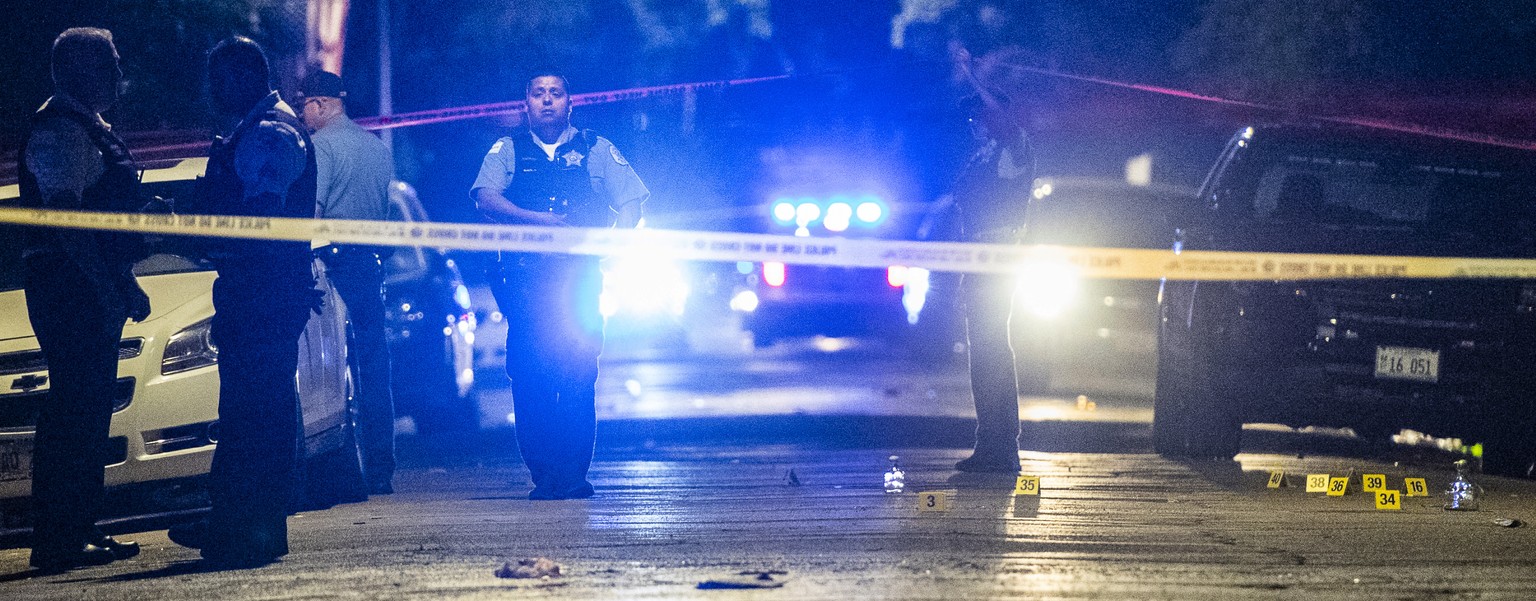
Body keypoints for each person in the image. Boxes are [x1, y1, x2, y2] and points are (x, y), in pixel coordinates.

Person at [167, 37, 321, 568]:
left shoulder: (269, 134)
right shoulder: (257, 129)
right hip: (263, 291)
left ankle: (245, 527)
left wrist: (190, 233)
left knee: (252, 411)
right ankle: (245, 524)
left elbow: (258, 227)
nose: (212, 90)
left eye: (219, 78)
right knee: (255, 409)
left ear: (244, 76)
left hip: (259, 294)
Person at [471, 69, 647, 500]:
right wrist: (536, 222)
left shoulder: (596, 148)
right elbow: (484, 195)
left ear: (571, 102)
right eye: (538, 93)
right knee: (530, 377)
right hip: (526, 284)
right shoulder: (506, 149)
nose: (547, 100)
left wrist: (613, 245)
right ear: (525, 103)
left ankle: (572, 475)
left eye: (556, 93)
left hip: (578, 281)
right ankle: (544, 475)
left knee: (577, 372)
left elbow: (632, 199)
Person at [17, 27, 148, 573]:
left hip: (87, 287)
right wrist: (103, 283)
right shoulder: (61, 132)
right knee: (74, 410)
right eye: (110, 62)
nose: (120, 73)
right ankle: (58, 535)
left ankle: (77, 528)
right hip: (71, 291)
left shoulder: (86, 128)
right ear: (80, 70)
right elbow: (66, 223)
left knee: (89, 409)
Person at [299, 69, 398, 495]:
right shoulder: (377, 148)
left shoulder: (319, 148)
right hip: (370, 267)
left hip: (333, 268)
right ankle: (381, 468)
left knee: (333, 370)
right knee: (374, 369)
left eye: (304, 105)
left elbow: (312, 217)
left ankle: (342, 469)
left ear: (319, 104)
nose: (303, 114)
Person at [948, 44, 1034, 473]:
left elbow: (1005, 116)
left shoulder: (1014, 149)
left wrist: (970, 73)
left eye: (976, 116)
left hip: (998, 261)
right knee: (984, 351)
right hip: (980, 260)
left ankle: (1001, 446)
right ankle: (993, 443)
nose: (973, 123)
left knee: (992, 350)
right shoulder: (984, 155)